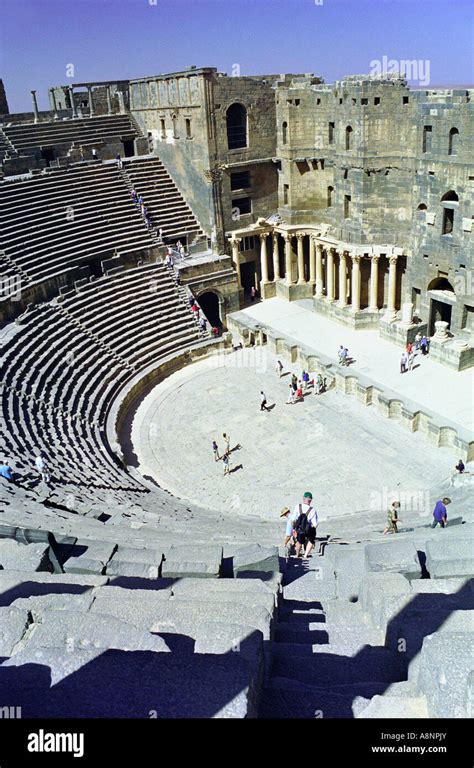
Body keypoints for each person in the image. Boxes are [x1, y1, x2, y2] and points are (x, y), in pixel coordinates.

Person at [293, 492, 318, 559]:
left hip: (299, 528)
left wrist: (294, 529)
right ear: (310, 500)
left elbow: (293, 520)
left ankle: (297, 555)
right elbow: (315, 524)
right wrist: (313, 531)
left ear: (303, 498)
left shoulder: (297, 506)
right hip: (307, 528)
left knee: (299, 541)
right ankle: (305, 555)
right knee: (311, 540)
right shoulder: (312, 510)